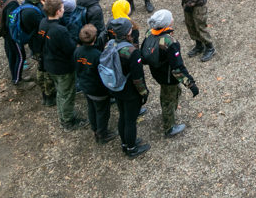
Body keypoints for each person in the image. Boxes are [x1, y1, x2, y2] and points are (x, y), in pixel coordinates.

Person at [142, 9, 200, 138]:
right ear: (167, 24)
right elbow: (177, 68)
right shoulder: (169, 42)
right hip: (168, 78)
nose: (173, 18)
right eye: (171, 17)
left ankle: (169, 112)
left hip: (157, 73)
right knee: (167, 99)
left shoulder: (149, 33)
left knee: (173, 93)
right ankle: (169, 127)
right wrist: (191, 84)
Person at [39, 0, 88, 131]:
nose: (64, 10)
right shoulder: (60, 30)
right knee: (67, 94)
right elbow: (70, 48)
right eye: (62, 9)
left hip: (49, 64)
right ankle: (68, 121)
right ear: (57, 12)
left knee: (61, 92)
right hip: (63, 67)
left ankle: (63, 114)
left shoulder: (43, 22)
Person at [106, 18, 151, 158]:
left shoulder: (109, 44)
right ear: (128, 32)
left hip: (115, 87)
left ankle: (125, 143)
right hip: (129, 91)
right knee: (131, 120)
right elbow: (137, 77)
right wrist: (144, 93)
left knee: (123, 116)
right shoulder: (131, 51)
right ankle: (131, 149)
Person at [73, 24, 117, 144]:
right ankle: (102, 134)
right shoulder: (97, 55)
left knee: (91, 108)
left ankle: (94, 128)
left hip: (85, 86)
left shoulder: (77, 51)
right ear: (94, 38)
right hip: (98, 90)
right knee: (102, 112)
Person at [21, 0, 56, 105]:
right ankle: (49, 96)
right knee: (45, 71)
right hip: (39, 44)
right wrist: (47, 8)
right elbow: (44, 24)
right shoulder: (30, 12)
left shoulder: (34, 4)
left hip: (38, 42)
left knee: (43, 68)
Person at [0, 0, 24, 84]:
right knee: (20, 56)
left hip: (6, 33)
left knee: (11, 54)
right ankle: (17, 79)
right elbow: (11, 21)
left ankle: (15, 75)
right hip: (11, 34)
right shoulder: (12, 2)